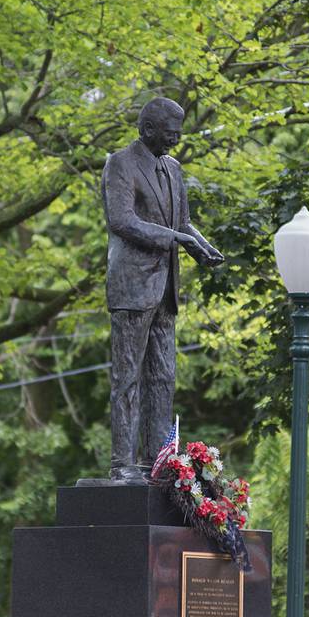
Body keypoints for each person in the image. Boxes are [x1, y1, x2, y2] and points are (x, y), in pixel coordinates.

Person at [101, 97, 223, 482]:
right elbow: (122, 221)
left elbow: (183, 222)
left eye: (178, 133)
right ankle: (123, 464)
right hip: (133, 287)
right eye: (171, 133)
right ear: (148, 129)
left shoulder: (173, 168)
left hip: (166, 288)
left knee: (163, 376)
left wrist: (201, 245)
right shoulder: (119, 164)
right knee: (128, 378)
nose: (176, 140)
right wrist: (177, 239)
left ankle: (159, 463)